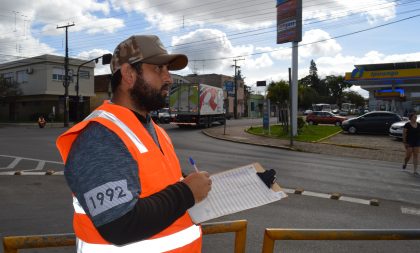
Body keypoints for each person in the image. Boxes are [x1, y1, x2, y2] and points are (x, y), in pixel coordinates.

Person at [56, 35, 212, 252]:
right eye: (159, 69)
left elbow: (155, 187)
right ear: (129, 74)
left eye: (168, 69)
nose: (169, 78)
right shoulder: (100, 136)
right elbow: (119, 224)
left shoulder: (154, 129)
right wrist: (186, 192)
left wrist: (192, 185)